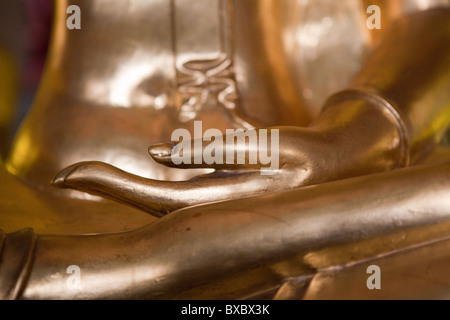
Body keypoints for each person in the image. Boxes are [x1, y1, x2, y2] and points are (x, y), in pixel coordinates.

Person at [1, 0, 450, 299]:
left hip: (317, 184)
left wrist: (362, 134)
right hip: (54, 203)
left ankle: (159, 263)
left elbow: (429, 12)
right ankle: (165, 258)